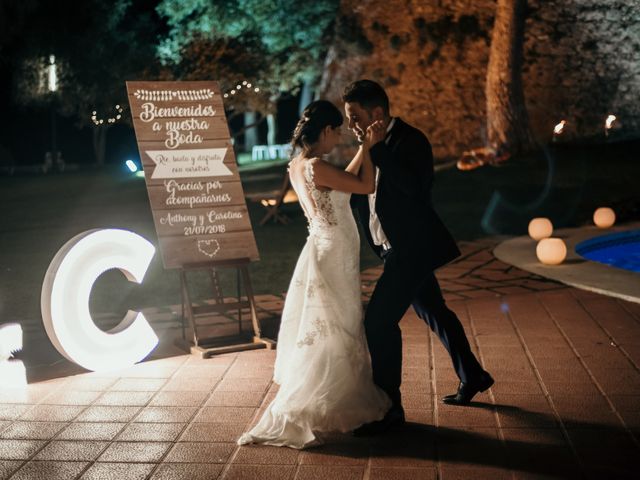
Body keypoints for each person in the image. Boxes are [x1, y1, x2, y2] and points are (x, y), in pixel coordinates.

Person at [342, 80, 494, 436]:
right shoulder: (368, 145)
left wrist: (378, 151)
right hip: (393, 249)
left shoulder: (412, 141)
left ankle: (389, 408)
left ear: (377, 113)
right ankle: (473, 376)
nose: (352, 125)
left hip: (412, 249)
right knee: (433, 310)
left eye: (355, 117)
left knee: (378, 322)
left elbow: (414, 189)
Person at [238, 100, 391, 449]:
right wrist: (370, 147)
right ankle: (316, 401)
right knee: (337, 324)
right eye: (336, 131)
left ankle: (334, 398)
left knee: (334, 324)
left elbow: (347, 181)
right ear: (324, 131)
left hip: (326, 249)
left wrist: (364, 149)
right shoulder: (317, 166)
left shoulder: (300, 165)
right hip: (332, 252)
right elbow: (365, 186)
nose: (339, 137)